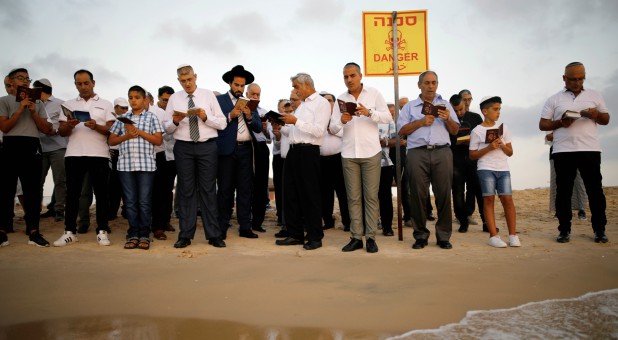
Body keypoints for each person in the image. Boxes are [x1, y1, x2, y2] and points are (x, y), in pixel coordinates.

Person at [539, 62, 610, 244]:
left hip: (590, 149)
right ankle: (564, 230)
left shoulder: (595, 95)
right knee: (563, 192)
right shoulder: (554, 99)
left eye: (581, 78)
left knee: (595, 191)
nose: (577, 82)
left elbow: (606, 119)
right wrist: (561, 123)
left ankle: (600, 230)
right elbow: (543, 124)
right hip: (563, 150)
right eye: (573, 79)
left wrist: (595, 115)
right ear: (564, 78)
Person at [329, 63, 393, 253]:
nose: (349, 79)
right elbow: (332, 128)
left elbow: (388, 117)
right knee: (353, 198)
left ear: (360, 75)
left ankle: (371, 237)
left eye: (352, 75)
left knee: (371, 197)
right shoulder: (340, 98)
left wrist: (369, 112)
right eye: (345, 76)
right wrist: (341, 120)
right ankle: (356, 237)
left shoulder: (373, 93)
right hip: (348, 153)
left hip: (371, 152)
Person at [164, 64, 227, 248]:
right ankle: (185, 235)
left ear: (195, 77)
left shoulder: (208, 95)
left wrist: (206, 117)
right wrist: (175, 121)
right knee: (186, 190)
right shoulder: (174, 98)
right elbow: (166, 127)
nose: (187, 83)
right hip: (183, 147)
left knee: (208, 190)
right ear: (178, 81)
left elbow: (222, 123)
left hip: (207, 146)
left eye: (189, 79)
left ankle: (214, 235)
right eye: (183, 81)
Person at [397, 70, 459, 250]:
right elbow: (402, 130)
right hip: (417, 153)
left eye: (434, 82)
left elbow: (455, 131)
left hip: (442, 152)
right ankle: (421, 235)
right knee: (417, 195)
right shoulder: (410, 107)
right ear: (419, 85)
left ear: (437, 85)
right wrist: (421, 122)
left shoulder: (445, 105)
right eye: (427, 83)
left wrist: (448, 119)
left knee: (444, 194)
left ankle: (444, 236)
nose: (430, 86)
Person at [53, 69, 114, 247]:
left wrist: (96, 126)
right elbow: (62, 131)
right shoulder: (68, 104)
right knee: (72, 194)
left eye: (86, 83)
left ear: (93, 83)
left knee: (102, 194)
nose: (83, 87)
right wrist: (69, 125)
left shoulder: (106, 104)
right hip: (74, 153)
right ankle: (69, 231)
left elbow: (111, 130)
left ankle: (102, 231)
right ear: (75, 85)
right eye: (79, 84)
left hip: (99, 154)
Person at [276, 73, 330, 250]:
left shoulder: (321, 103)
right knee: (290, 194)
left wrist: (296, 121)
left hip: (308, 152)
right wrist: (282, 126)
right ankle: (295, 234)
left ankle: (315, 236)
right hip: (293, 151)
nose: (294, 91)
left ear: (307, 85)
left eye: (296, 87)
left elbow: (319, 131)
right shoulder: (301, 106)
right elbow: (295, 132)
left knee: (310, 195)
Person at [0, 68, 53, 247]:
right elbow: (5, 127)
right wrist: (20, 109)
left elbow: (46, 129)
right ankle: (2, 231)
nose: (25, 81)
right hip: (10, 145)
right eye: (20, 78)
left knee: (32, 191)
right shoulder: (4, 101)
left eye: (27, 79)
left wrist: (32, 111)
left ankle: (34, 231)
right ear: (11, 82)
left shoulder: (37, 103)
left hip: (31, 146)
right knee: (6, 190)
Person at [109, 85, 163, 249]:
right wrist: (126, 135)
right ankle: (133, 233)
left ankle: (145, 234)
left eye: (137, 97)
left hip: (146, 165)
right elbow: (111, 141)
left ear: (145, 99)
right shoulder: (122, 118)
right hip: (125, 165)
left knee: (145, 201)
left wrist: (138, 132)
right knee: (130, 202)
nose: (133, 100)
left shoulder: (151, 117)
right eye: (130, 97)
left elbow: (158, 140)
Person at [215, 65, 262, 240]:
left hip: (246, 150)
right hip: (226, 150)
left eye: (242, 86)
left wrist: (249, 116)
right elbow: (214, 123)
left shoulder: (250, 102)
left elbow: (257, 127)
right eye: (237, 85)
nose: (239, 89)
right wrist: (230, 115)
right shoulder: (219, 101)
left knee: (245, 190)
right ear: (229, 83)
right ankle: (221, 226)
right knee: (225, 189)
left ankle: (245, 227)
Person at [469, 96, 520, 248]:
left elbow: (510, 152)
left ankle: (513, 235)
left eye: (499, 109)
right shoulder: (477, 131)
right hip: (485, 168)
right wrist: (489, 148)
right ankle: (493, 235)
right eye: (495, 109)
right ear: (485, 111)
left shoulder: (504, 128)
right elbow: (472, 155)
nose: (498, 112)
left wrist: (502, 145)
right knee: (489, 199)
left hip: (503, 168)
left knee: (507, 200)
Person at [449, 94, 487, 233]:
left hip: (473, 160)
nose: (459, 113)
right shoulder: (448, 120)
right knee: (458, 192)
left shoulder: (475, 117)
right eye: (456, 111)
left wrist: (471, 141)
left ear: (465, 105)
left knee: (479, 191)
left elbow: (482, 136)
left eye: (461, 109)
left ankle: (486, 222)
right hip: (456, 160)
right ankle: (463, 222)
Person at [34, 79, 67, 223]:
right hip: (39, 147)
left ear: (41, 89)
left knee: (60, 181)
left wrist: (55, 131)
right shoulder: (33, 104)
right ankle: (36, 210)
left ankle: (58, 210)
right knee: (37, 181)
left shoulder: (60, 103)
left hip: (58, 146)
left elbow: (65, 123)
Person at [318, 92, 350, 232]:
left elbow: (347, 134)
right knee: (325, 193)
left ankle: (347, 222)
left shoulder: (340, 117)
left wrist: (333, 130)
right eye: (324, 100)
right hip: (321, 160)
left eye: (330, 100)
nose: (327, 103)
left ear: (335, 103)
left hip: (339, 159)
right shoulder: (318, 118)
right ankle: (328, 221)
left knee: (343, 192)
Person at [150, 88, 177, 240]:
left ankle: (165, 220)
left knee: (168, 190)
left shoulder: (174, 112)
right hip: (157, 154)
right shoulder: (153, 112)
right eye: (165, 100)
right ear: (158, 97)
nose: (167, 103)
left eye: (169, 100)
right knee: (155, 191)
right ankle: (154, 223)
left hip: (172, 156)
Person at [245, 83, 270, 233]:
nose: (255, 97)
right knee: (245, 185)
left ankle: (257, 222)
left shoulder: (264, 111)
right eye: (253, 94)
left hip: (260, 148)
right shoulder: (241, 108)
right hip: (245, 147)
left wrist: (267, 130)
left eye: (258, 95)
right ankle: (244, 220)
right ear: (247, 93)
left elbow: (270, 138)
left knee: (261, 185)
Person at [545, 132, 587, 220]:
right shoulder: (553, 119)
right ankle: (559, 210)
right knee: (557, 182)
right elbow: (549, 137)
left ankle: (581, 210)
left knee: (579, 182)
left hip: (578, 150)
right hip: (557, 151)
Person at [459, 89, 483, 226]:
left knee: (474, 187)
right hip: (458, 157)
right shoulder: (454, 116)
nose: (467, 102)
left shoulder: (475, 117)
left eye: (470, 99)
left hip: (473, 157)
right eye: (465, 99)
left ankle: (469, 213)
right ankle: (462, 216)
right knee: (458, 189)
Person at [107, 98, 128, 221]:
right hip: (113, 153)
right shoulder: (110, 119)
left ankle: (126, 210)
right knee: (113, 184)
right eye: (122, 107)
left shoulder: (129, 119)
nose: (124, 110)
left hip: (125, 153)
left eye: (126, 108)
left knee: (126, 183)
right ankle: (112, 211)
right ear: (115, 107)